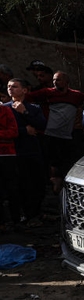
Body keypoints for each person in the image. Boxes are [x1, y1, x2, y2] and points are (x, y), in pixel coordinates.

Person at [28, 71, 84, 193]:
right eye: (54, 80)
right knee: (52, 161)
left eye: (59, 80)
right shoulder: (47, 93)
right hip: (50, 133)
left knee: (67, 160)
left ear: (67, 82)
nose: (55, 82)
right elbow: (28, 97)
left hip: (67, 135)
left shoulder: (75, 95)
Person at [5, 79, 47, 225]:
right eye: (9, 87)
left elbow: (41, 125)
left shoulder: (33, 108)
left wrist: (25, 112)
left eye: (15, 86)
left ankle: (35, 212)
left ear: (24, 90)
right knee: (19, 185)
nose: (10, 89)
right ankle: (22, 216)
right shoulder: (4, 109)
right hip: (13, 152)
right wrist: (24, 131)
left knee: (37, 183)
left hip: (32, 151)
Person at [0, 88, 21, 230]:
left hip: (6, 154)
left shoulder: (5, 111)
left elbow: (14, 132)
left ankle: (15, 219)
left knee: (11, 187)